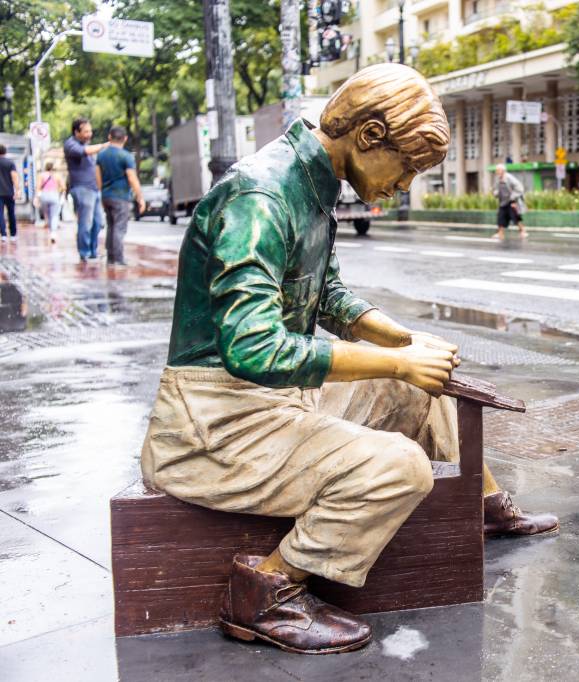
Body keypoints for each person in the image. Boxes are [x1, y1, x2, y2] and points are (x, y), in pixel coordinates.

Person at [140, 64, 557, 656]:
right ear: (368, 136)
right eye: (407, 166)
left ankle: (482, 509)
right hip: (212, 423)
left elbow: (328, 295)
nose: (404, 184)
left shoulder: (312, 185)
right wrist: (391, 362)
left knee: (420, 387)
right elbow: (253, 347)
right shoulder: (260, 197)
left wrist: (403, 345)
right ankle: (266, 590)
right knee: (401, 467)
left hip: (271, 399)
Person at [96, 126, 146, 266]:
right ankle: (118, 259)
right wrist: (140, 197)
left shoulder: (101, 155)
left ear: (109, 137)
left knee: (111, 226)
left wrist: (101, 193)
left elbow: (97, 177)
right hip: (120, 196)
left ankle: (110, 258)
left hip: (106, 196)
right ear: (125, 138)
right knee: (119, 227)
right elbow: (132, 177)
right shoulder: (126, 156)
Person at [64, 117, 109, 263]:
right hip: (82, 188)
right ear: (76, 132)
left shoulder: (86, 144)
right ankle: (84, 252)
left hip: (94, 189)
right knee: (86, 222)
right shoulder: (71, 145)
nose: (89, 134)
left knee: (98, 222)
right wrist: (104, 145)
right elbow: (86, 151)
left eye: (90, 131)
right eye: (86, 131)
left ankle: (93, 252)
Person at [492, 163, 527, 239]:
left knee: (515, 217)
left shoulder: (509, 178)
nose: (496, 172)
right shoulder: (498, 179)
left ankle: (523, 231)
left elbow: (520, 188)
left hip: (511, 201)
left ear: (503, 170)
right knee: (500, 217)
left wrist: (512, 197)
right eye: (496, 170)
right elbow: (496, 189)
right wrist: (496, 193)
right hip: (503, 202)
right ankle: (500, 233)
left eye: (498, 170)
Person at [35, 161, 67, 244]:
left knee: (47, 214)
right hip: (54, 195)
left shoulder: (41, 175)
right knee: (55, 215)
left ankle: (49, 229)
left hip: (44, 195)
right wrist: (58, 192)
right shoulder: (57, 176)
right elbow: (63, 187)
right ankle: (53, 233)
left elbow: (38, 187)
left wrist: (37, 198)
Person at [0, 144, 18, 243]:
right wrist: (17, 189)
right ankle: (13, 234)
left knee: (0, 214)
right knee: (11, 213)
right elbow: (14, 176)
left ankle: (3, 235)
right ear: (5, 152)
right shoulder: (10, 163)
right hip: (9, 192)